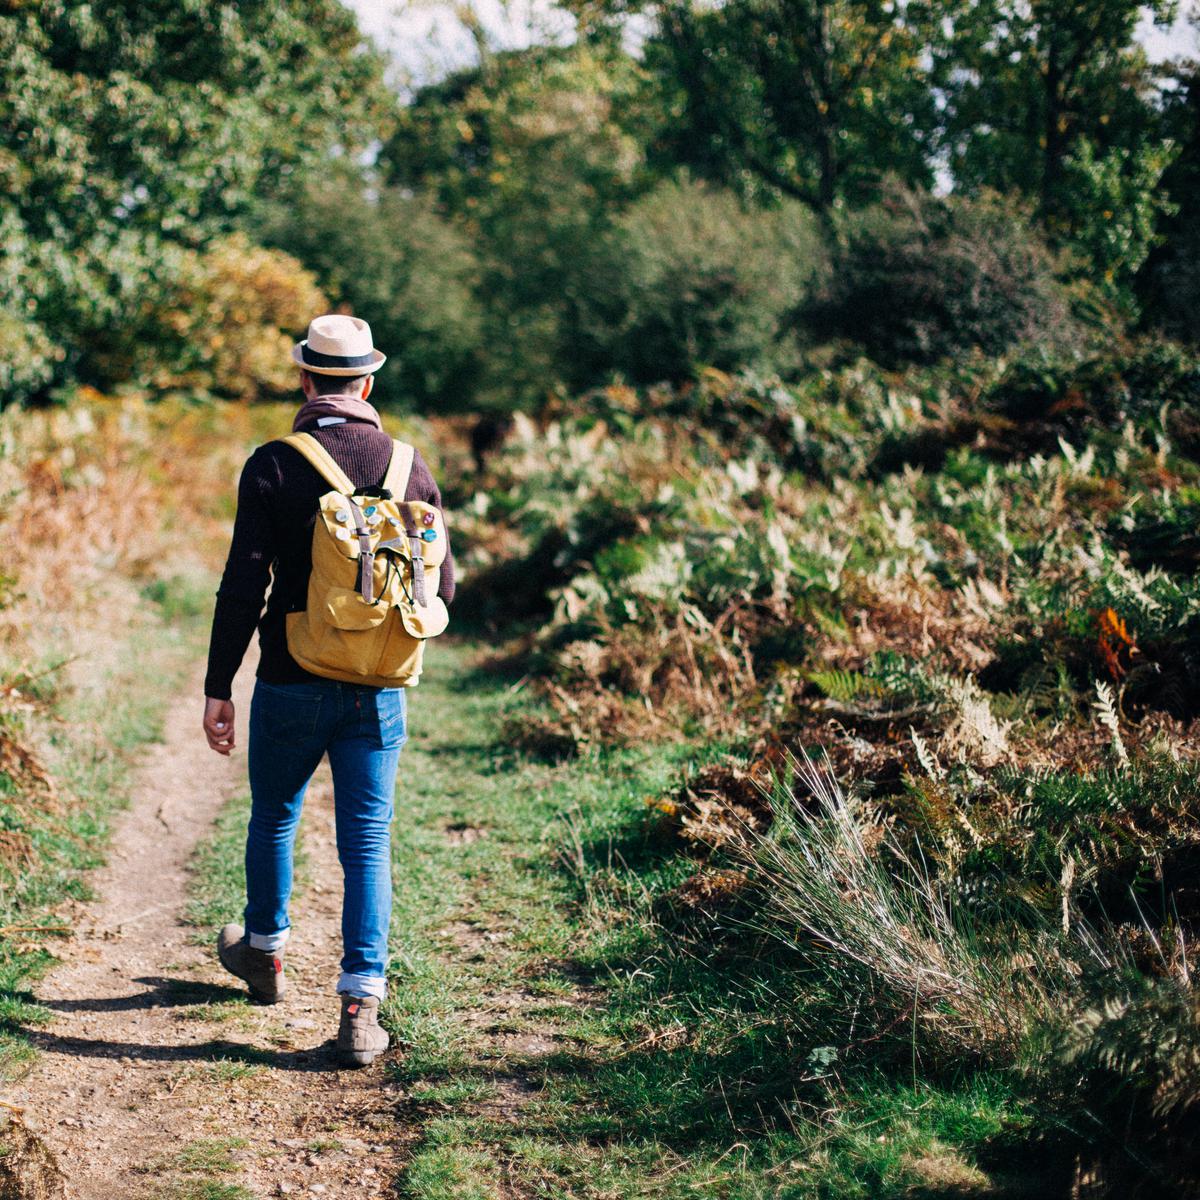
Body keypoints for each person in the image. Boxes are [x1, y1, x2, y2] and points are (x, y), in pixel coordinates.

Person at [201, 314, 454, 1067]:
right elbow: (443, 583)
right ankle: (359, 1007)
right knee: (366, 841)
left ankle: (263, 953)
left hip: (289, 676)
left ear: (306, 380)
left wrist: (220, 685)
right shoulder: (411, 465)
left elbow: (243, 584)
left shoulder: (274, 462)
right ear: (368, 383)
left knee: (275, 816)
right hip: (378, 687)